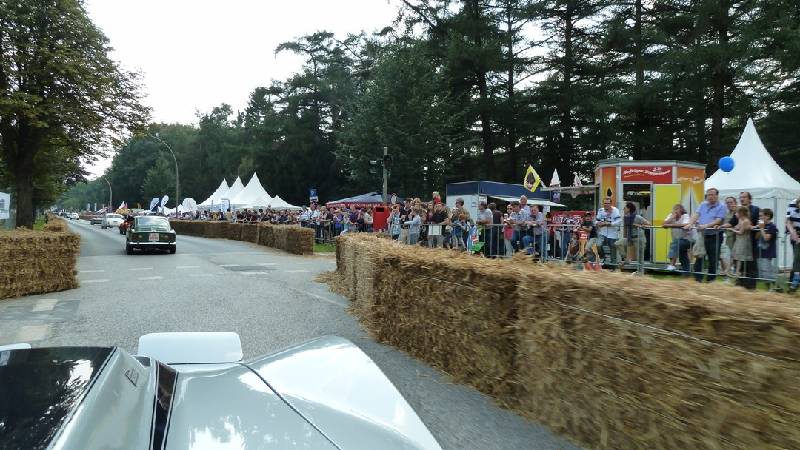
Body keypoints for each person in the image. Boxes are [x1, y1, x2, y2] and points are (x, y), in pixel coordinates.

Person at [686, 188, 727, 282]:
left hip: (715, 236)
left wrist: (706, 225)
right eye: (708, 195)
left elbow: (718, 220)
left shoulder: (722, 206)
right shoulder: (703, 204)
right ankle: (697, 279)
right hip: (703, 235)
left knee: (713, 259)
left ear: (717, 195)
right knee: (699, 256)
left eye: (712, 195)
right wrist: (690, 223)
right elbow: (696, 214)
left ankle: (710, 280)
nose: (710, 197)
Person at [615, 202, 650, 270]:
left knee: (640, 256)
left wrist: (639, 226)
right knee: (618, 243)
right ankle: (626, 259)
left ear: (629, 209)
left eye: (625, 208)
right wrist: (626, 237)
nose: (623, 209)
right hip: (630, 237)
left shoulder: (637, 217)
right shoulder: (625, 218)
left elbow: (648, 224)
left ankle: (640, 271)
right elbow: (626, 228)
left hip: (639, 237)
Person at [662, 204, 691, 274]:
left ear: (681, 210)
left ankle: (672, 264)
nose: (675, 211)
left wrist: (670, 225)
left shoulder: (685, 216)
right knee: (682, 256)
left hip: (688, 239)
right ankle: (686, 273)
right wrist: (671, 218)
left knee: (675, 244)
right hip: (677, 240)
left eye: (677, 209)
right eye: (674, 209)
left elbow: (685, 225)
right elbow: (664, 225)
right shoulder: (671, 216)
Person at [756, 208, 778, 291]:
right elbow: (757, 237)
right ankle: (770, 288)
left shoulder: (772, 226)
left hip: (767, 252)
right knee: (762, 272)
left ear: (768, 216)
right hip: (760, 251)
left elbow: (766, 238)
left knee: (766, 271)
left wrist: (761, 228)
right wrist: (759, 228)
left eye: (761, 216)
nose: (760, 218)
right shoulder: (762, 226)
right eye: (759, 216)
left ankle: (777, 285)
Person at [595, 198, 622, 264]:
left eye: (608, 203)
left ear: (611, 204)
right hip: (602, 232)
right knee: (598, 245)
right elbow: (596, 221)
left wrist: (610, 224)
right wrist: (598, 223)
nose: (606, 204)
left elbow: (619, 221)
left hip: (612, 233)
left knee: (612, 247)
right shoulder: (601, 210)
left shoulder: (615, 210)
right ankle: (602, 257)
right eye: (605, 203)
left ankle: (613, 264)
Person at [719, 196, 738, 276]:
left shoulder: (738, 212)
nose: (729, 204)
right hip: (729, 237)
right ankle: (729, 271)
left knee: (736, 256)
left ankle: (729, 271)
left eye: (731, 202)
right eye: (727, 203)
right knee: (731, 256)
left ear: (735, 203)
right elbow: (723, 223)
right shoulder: (726, 213)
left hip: (738, 237)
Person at [787, 198, 800, 292]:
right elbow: (788, 221)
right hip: (796, 236)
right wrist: (793, 233)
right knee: (797, 258)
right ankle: (795, 282)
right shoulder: (793, 206)